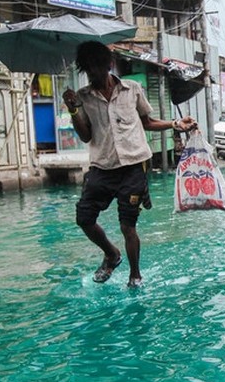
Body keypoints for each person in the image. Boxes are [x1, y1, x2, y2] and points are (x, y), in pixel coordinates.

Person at [62, 41, 196, 288]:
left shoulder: (132, 89)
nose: (94, 74)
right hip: (102, 167)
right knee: (84, 218)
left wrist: (176, 124)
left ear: (109, 65)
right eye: (89, 70)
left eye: (98, 68)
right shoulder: (82, 97)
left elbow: (147, 121)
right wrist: (73, 111)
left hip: (133, 166)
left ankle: (135, 275)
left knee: (128, 225)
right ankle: (112, 254)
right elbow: (85, 136)